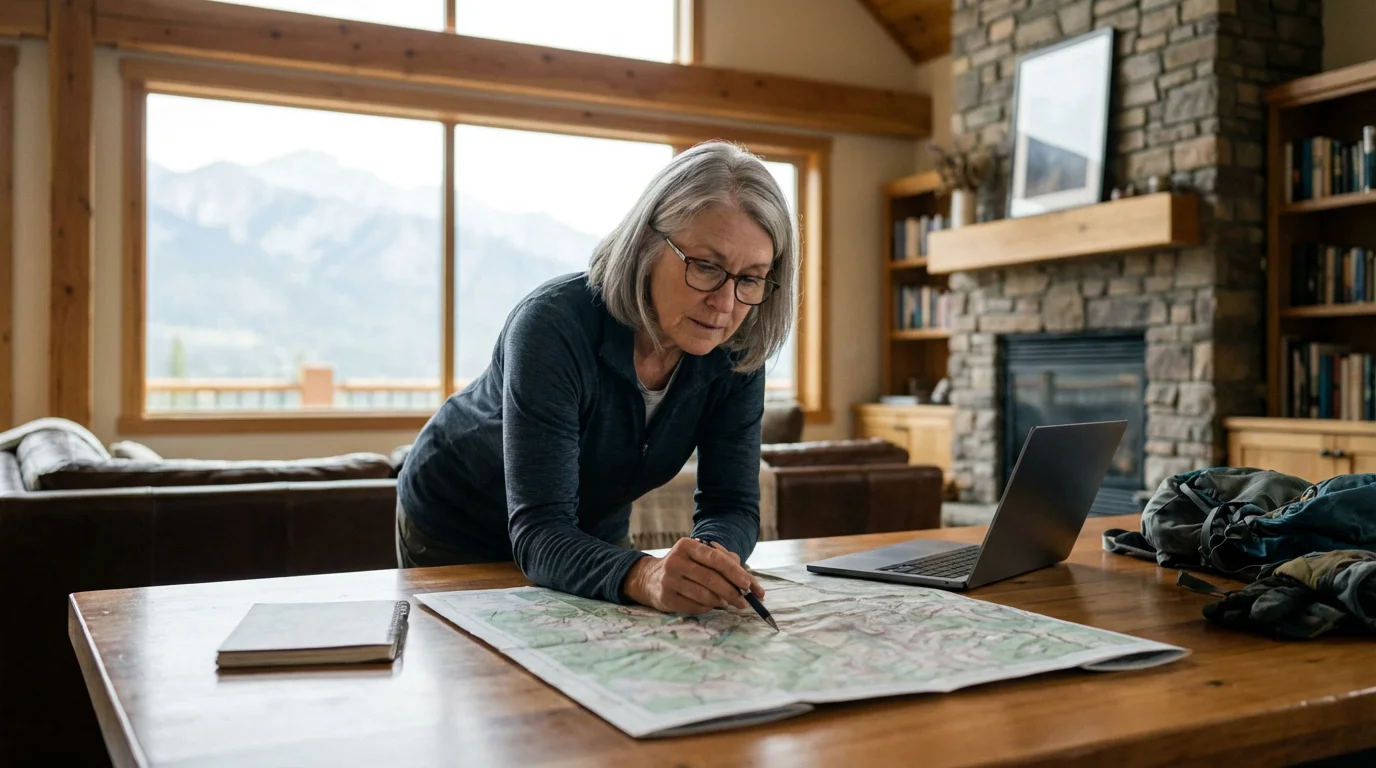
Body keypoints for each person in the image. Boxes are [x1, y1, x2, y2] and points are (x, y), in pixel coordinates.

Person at [396, 141, 799, 616]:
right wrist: (644, 573)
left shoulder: (736, 349)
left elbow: (732, 502)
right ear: (648, 242)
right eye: (707, 267)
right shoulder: (551, 325)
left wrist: (708, 560)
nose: (726, 305)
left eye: (750, 278)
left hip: (590, 531)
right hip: (458, 521)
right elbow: (540, 531)